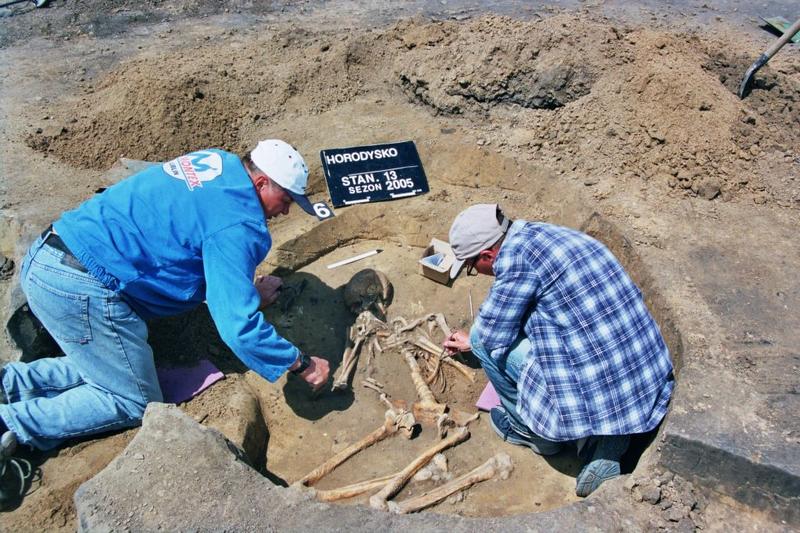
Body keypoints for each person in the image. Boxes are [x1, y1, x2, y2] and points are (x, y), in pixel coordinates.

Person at [0, 139, 330, 506]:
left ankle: (9, 384)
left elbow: (190, 233)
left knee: (113, 364)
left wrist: (247, 291)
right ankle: (12, 424)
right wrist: (300, 363)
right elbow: (237, 326)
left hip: (52, 253)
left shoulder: (219, 163)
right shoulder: (240, 224)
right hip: (83, 289)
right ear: (261, 184)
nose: (285, 213)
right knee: (132, 399)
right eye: (285, 201)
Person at [442, 204, 674, 497]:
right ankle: (611, 435)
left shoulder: (515, 262)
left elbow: (490, 335)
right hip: (644, 378)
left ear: (487, 255)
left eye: (473, 267)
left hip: (605, 381)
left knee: (480, 340)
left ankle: (531, 432)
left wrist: (471, 342)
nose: (476, 272)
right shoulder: (547, 234)